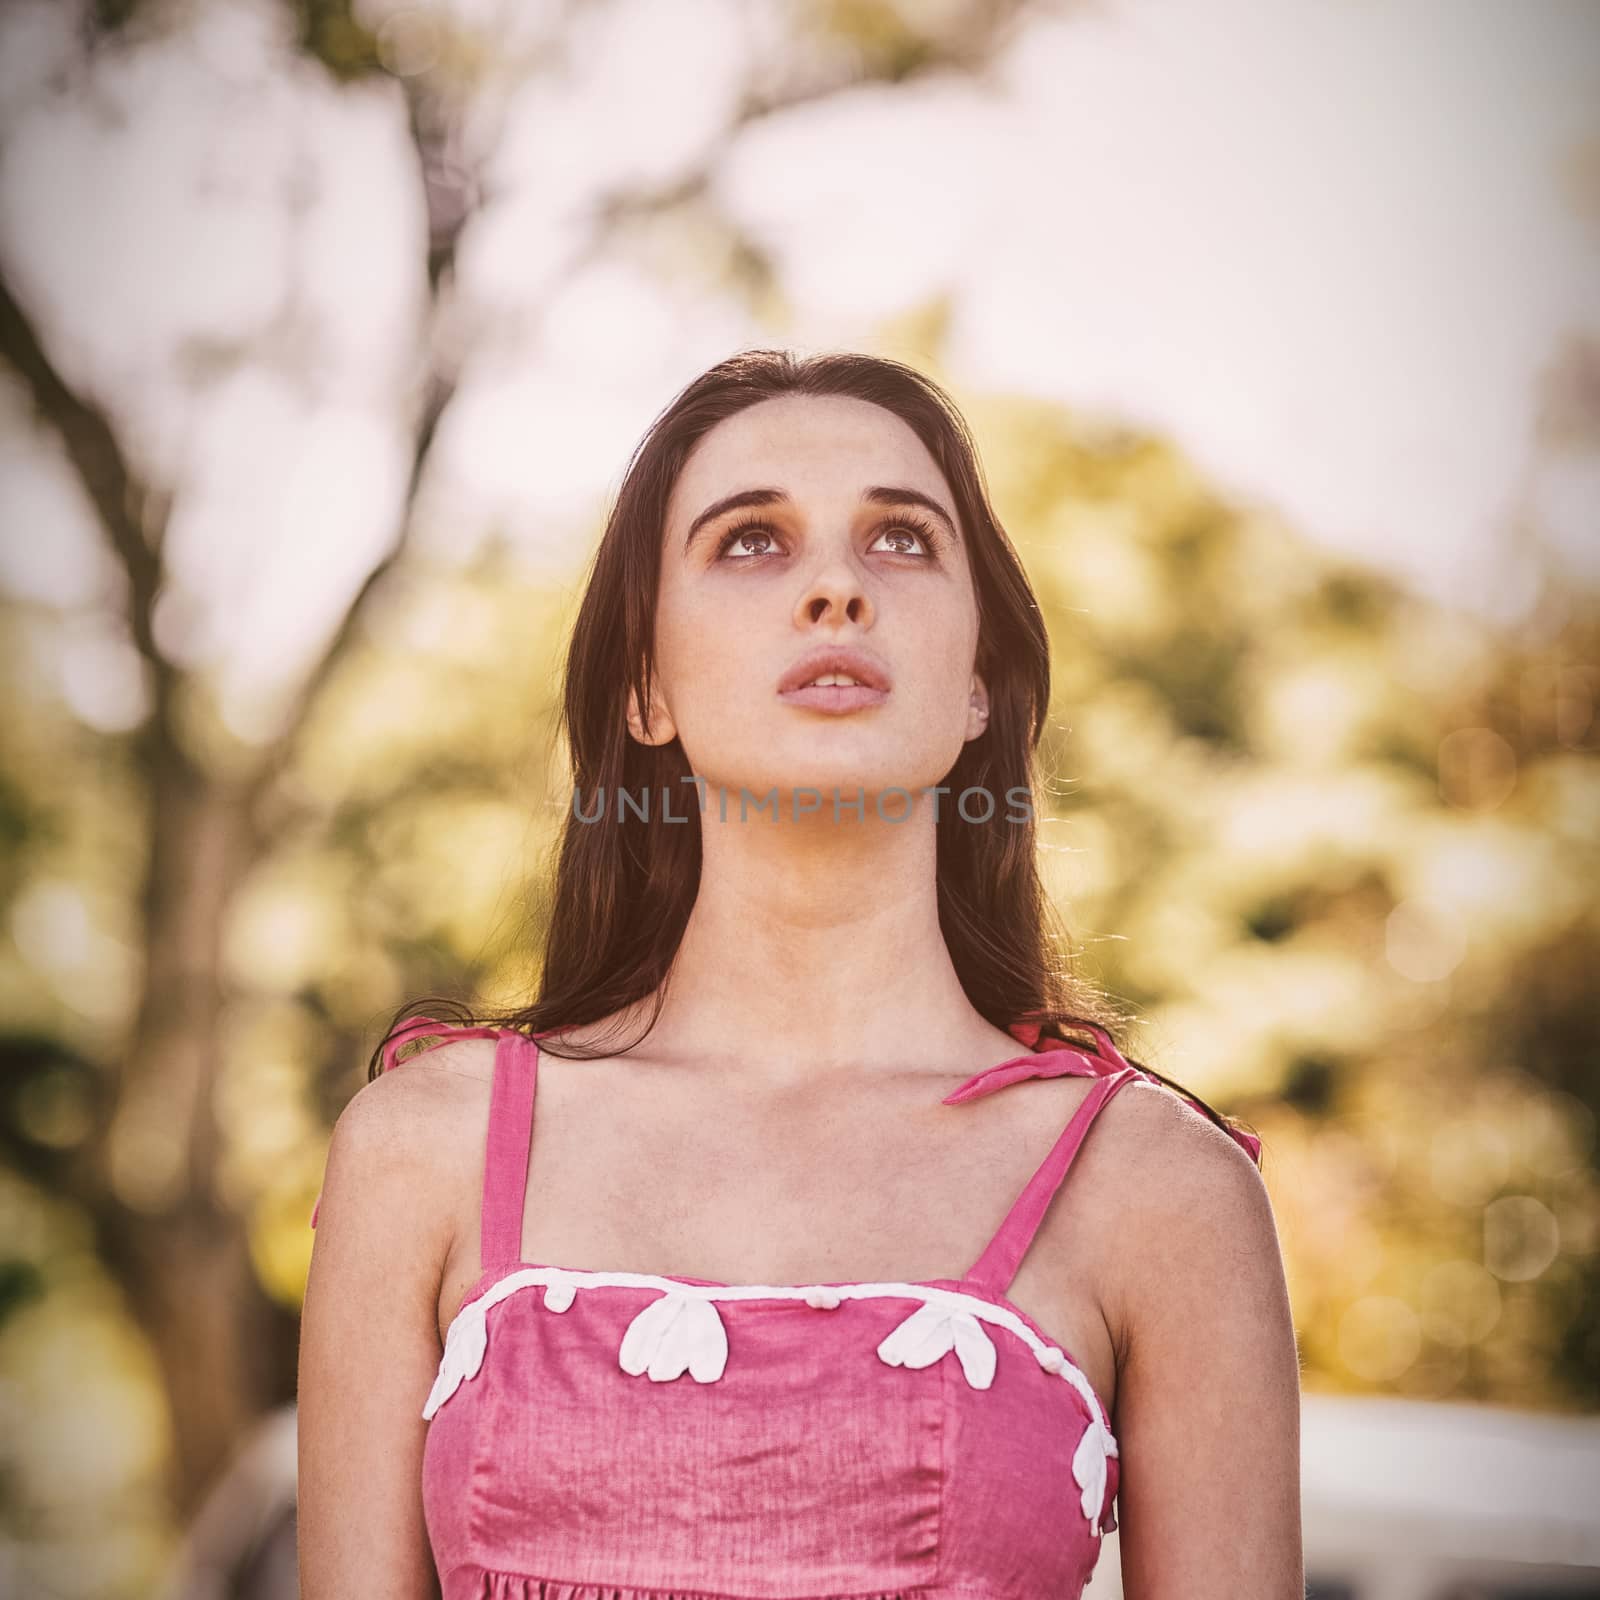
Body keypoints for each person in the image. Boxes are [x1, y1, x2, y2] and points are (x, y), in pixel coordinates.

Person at [296, 349, 1304, 1599]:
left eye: (901, 540)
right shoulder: (422, 1150)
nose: (834, 586)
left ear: (979, 683)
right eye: (750, 543)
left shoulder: (1159, 1190)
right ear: (645, 687)